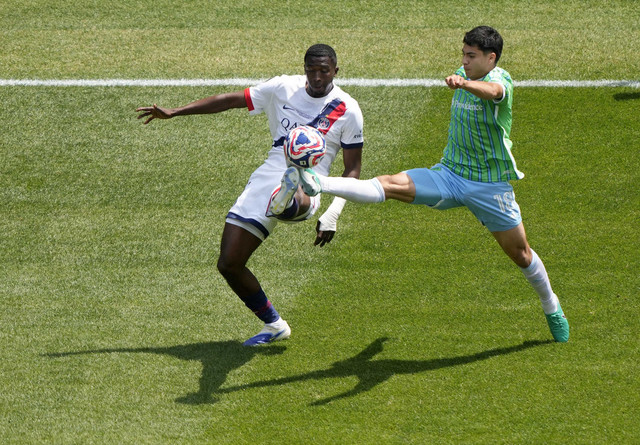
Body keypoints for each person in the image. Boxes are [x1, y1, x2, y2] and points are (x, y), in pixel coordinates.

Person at [296, 26, 569, 342]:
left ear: (491, 58)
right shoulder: (462, 74)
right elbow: (467, 80)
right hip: (449, 175)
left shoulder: (500, 81)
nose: (464, 61)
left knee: (520, 254)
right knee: (388, 185)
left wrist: (465, 83)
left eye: (471, 56)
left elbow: (494, 93)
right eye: (463, 55)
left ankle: (551, 305)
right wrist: (463, 79)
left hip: (489, 187)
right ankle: (319, 182)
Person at [136, 44, 364, 346]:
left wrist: (333, 214)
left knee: (296, 192)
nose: (318, 76)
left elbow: (353, 171)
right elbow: (231, 100)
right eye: (312, 70)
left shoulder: (347, 110)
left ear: (336, 70)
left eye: (325, 70)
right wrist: (176, 111)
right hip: (270, 172)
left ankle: (290, 193)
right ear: (304, 68)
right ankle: (275, 324)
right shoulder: (283, 87)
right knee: (228, 262)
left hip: (315, 180)